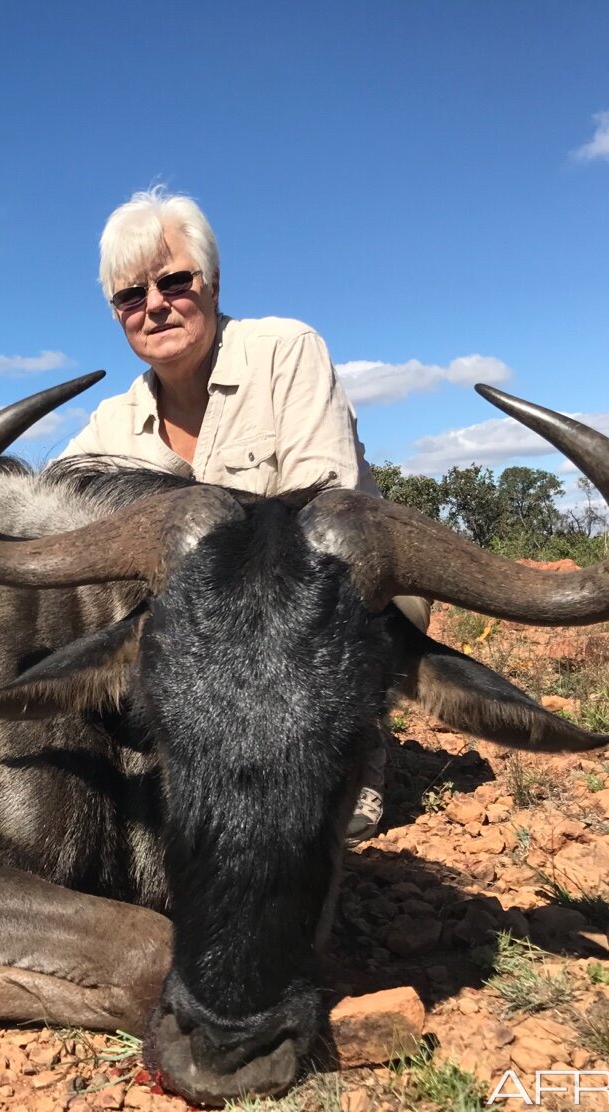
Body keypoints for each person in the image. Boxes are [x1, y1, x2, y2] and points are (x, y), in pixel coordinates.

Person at [61, 188, 429, 844]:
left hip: (308, 604)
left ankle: (351, 751)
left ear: (214, 282)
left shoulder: (286, 350)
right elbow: (47, 515)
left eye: (174, 280)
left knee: (334, 585)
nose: (154, 304)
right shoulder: (109, 423)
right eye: (129, 295)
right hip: (201, 638)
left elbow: (330, 516)